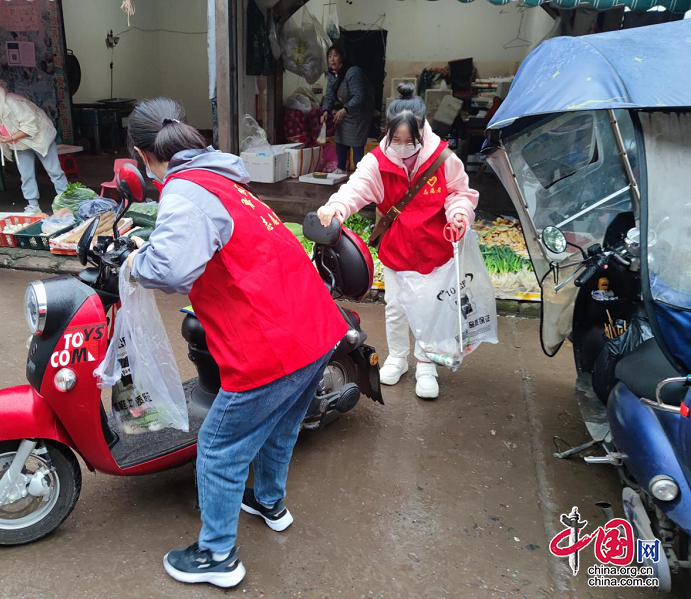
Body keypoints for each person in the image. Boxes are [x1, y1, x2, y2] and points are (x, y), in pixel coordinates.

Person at [123, 98, 346, 588]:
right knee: (282, 426)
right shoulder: (222, 178)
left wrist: (136, 264)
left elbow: (173, 268)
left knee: (219, 446)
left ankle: (216, 555)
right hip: (316, 327)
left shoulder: (183, 189)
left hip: (274, 344)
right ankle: (269, 501)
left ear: (141, 155)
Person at [317, 83, 479, 399]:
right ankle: (398, 357)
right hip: (396, 251)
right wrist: (335, 208)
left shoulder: (443, 158)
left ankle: (426, 364)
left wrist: (459, 213)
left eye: (411, 142)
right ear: (387, 133)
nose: (403, 147)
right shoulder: (377, 161)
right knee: (396, 308)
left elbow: (459, 192)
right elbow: (355, 189)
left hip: (435, 251)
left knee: (428, 310)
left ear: (423, 133)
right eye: (397, 141)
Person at [0, 84, 67, 215]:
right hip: (20, 145)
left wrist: (10, 138)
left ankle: (66, 201)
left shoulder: (13, 102)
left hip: (40, 138)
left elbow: (30, 126)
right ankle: (33, 205)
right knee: (26, 175)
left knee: (54, 171)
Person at [321, 45, 375, 174]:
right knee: (340, 136)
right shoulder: (332, 75)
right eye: (329, 56)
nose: (332, 59)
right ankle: (341, 168)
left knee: (356, 141)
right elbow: (329, 94)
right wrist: (326, 111)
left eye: (335, 55)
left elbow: (359, 96)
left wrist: (345, 109)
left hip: (360, 111)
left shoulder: (353, 72)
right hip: (345, 109)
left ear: (342, 58)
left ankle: (359, 171)